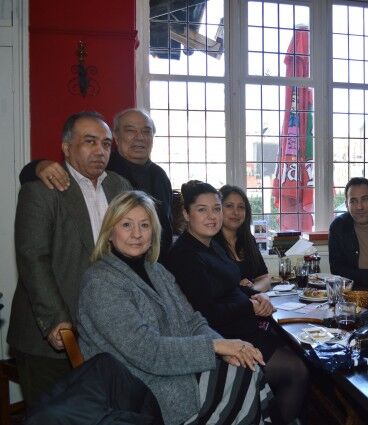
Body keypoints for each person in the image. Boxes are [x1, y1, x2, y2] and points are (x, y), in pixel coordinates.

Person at [77, 191, 269, 425]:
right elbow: (149, 352)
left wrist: (225, 348)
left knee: (249, 370)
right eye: (126, 225)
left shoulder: (156, 271)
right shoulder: (100, 283)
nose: (137, 234)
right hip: (141, 395)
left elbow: (193, 321)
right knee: (247, 380)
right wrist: (217, 346)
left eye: (144, 225)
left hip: (175, 373)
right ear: (109, 232)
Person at [8, 111, 131, 405]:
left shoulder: (120, 187)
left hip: (106, 331)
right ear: (66, 148)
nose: (100, 150)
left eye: (106, 143)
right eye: (90, 141)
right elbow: (33, 259)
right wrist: (55, 321)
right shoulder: (41, 190)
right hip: (50, 337)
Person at [167, 181, 308, 424]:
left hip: (243, 327)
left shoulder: (211, 245)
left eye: (216, 209)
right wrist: (249, 305)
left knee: (299, 352)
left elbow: (231, 286)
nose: (212, 216)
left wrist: (255, 295)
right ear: (186, 214)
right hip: (225, 341)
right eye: (202, 210)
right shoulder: (186, 255)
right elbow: (205, 313)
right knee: (296, 371)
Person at [20, 108, 174, 262]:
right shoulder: (99, 167)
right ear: (117, 137)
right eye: (130, 130)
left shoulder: (158, 176)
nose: (140, 137)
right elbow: (33, 256)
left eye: (146, 131)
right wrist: (39, 166)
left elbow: (164, 226)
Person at [214, 185, 271, 292]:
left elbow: (264, 278)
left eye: (241, 207)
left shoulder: (248, 240)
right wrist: (239, 289)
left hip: (251, 300)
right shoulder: (210, 244)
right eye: (229, 206)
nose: (236, 212)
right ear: (218, 209)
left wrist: (252, 290)